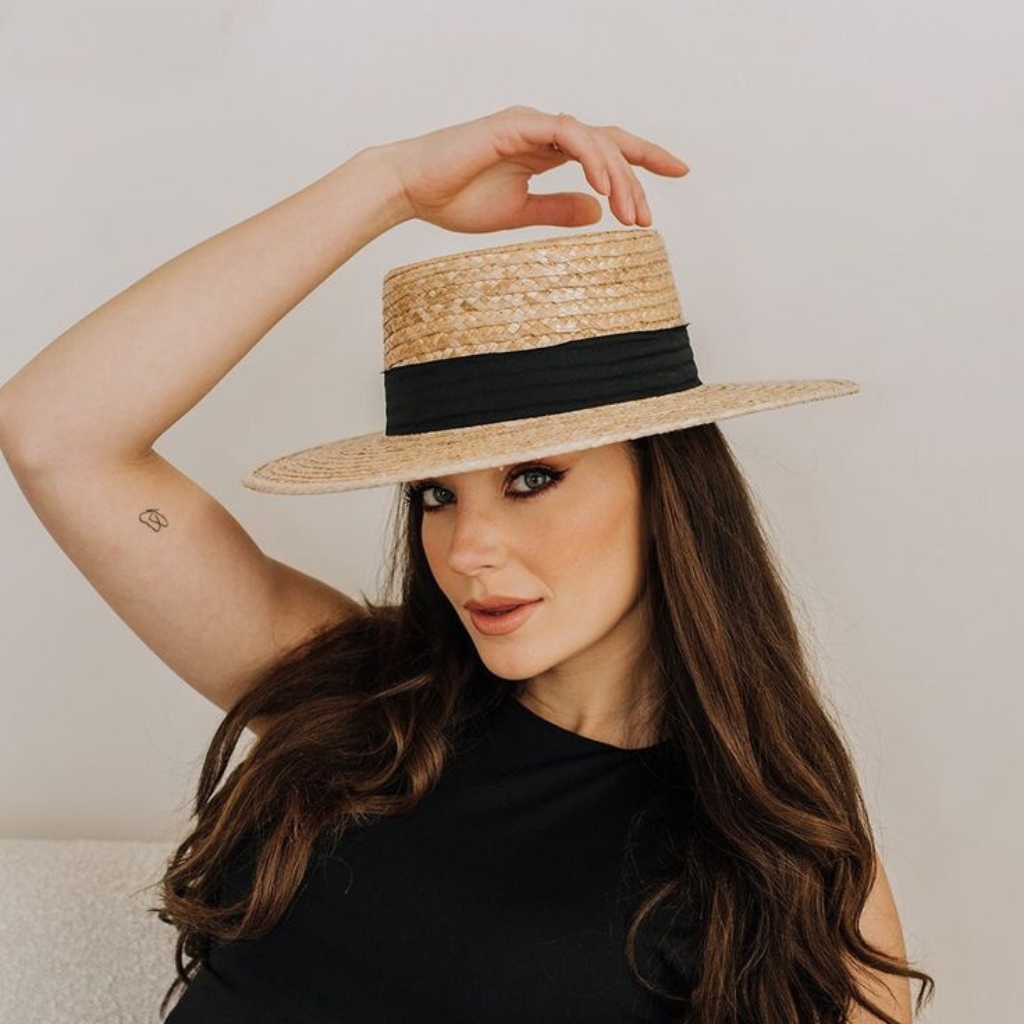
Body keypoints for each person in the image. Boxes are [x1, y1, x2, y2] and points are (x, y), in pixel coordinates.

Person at [0, 105, 934, 1023]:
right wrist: (386, 185)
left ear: (668, 488)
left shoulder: (779, 864)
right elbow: (58, 435)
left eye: (531, 478)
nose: (466, 548)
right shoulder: (364, 700)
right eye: (435, 494)